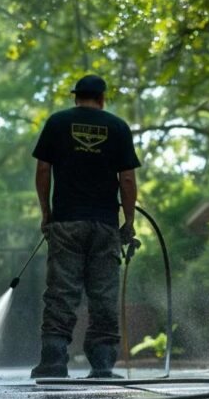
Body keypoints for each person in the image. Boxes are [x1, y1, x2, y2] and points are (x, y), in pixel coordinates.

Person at [31, 74, 141, 378]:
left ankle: (53, 361)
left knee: (62, 293)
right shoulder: (117, 127)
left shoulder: (57, 123)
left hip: (66, 222)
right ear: (102, 99)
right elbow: (128, 179)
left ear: (75, 96)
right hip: (104, 225)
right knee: (103, 294)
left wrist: (47, 213)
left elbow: (43, 169)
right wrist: (128, 222)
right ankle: (103, 364)